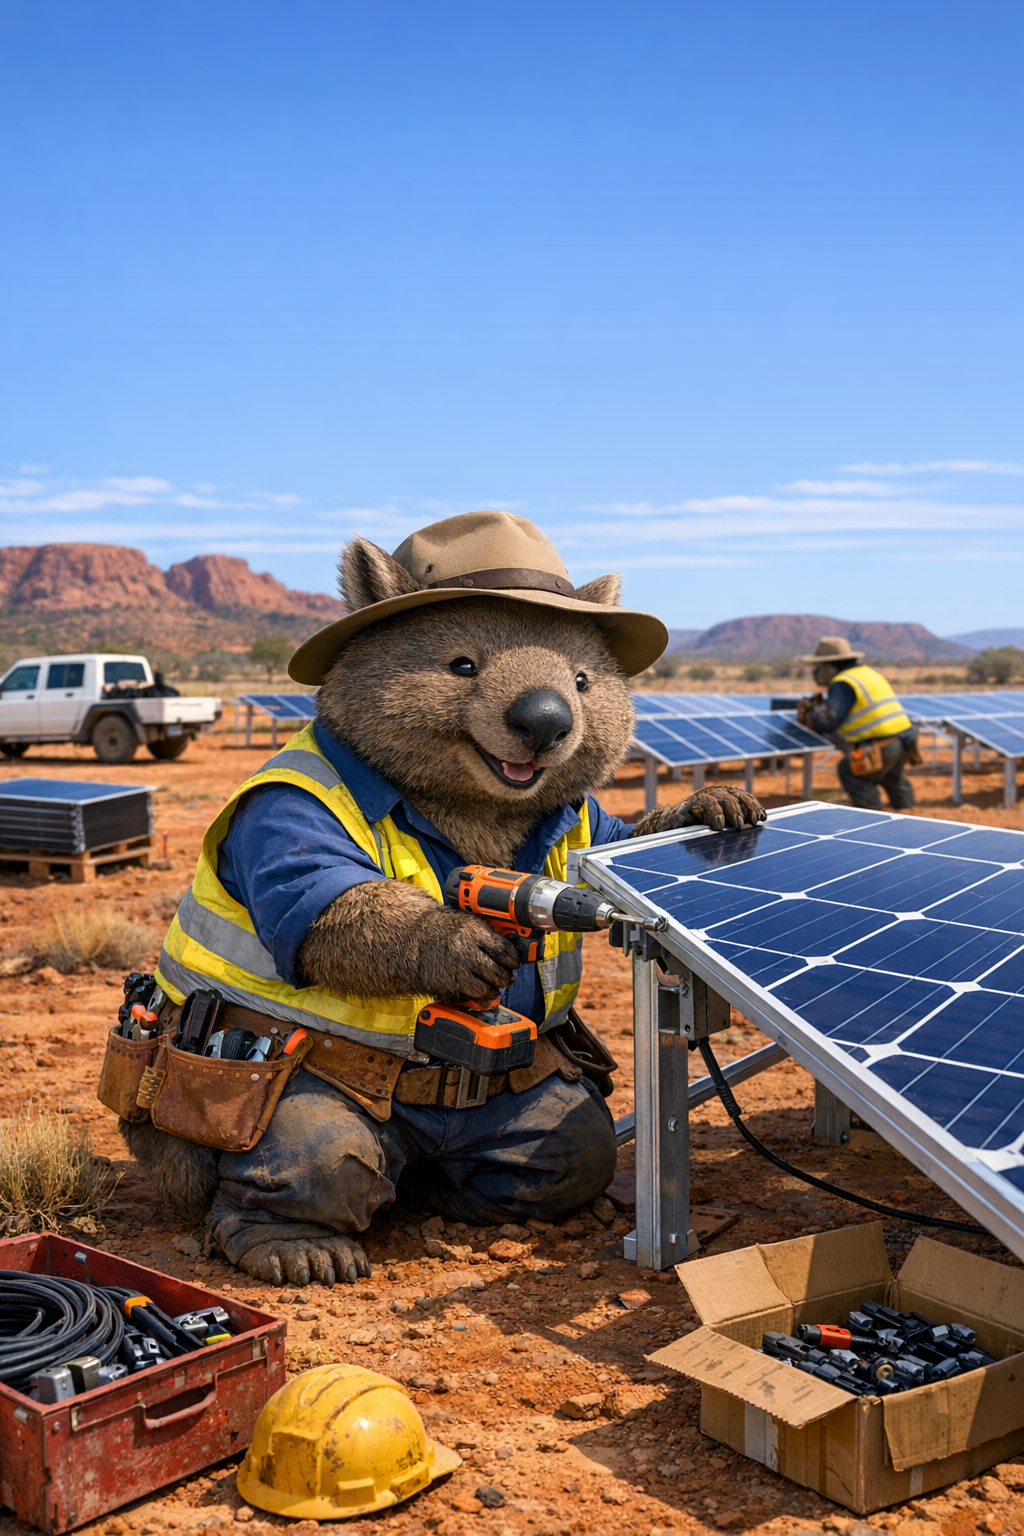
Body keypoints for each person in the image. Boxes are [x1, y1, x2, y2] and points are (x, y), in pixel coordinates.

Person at [798, 636, 918, 810]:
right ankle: (910, 813)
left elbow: (829, 720)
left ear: (831, 666)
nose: (816, 672)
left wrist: (811, 716)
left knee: (850, 771)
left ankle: (873, 818)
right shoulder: (867, 673)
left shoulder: (843, 682)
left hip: (882, 746)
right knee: (892, 778)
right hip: (906, 740)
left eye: (819, 667)